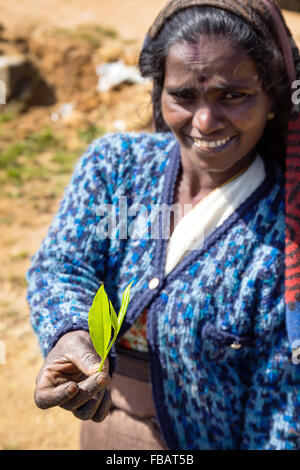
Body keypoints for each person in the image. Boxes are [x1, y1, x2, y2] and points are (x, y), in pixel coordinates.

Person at [27, 0, 300, 450]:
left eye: (233, 95)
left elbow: (280, 415)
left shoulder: (283, 235)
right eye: (184, 96)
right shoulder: (116, 169)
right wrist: (70, 333)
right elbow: (62, 264)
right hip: (105, 434)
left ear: (272, 97)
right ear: (159, 93)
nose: (206, 122)